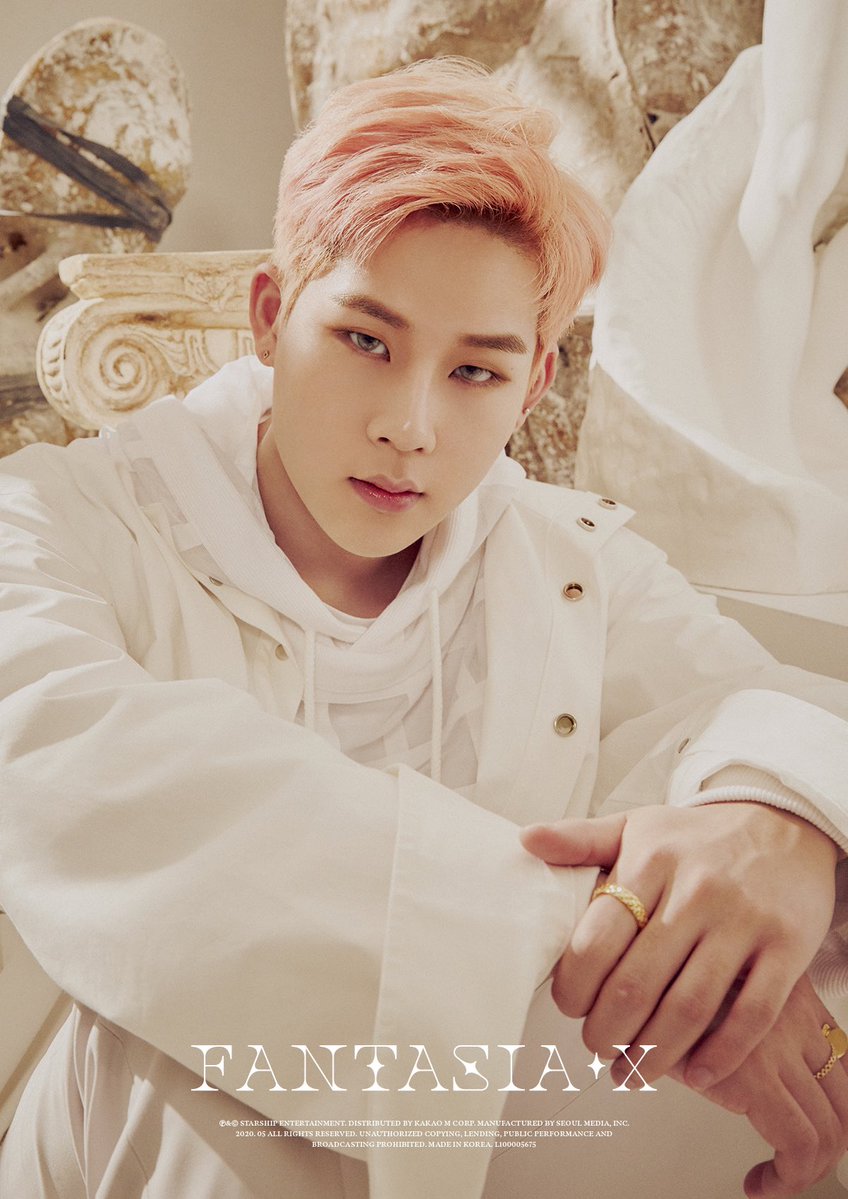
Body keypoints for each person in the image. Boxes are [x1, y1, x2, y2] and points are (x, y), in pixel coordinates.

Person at [0, 56, 846, 1199]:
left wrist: (773, 821)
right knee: (214, 1062)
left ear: (532, 385)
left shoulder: (566, 561)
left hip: (492, 1144)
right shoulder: (49, 521)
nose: (409, 425)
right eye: (365, 340)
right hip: (127, 1122)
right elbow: (96, 793)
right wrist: (615, 938)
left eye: (475, 371)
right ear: (270, 315)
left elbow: (752, 703)